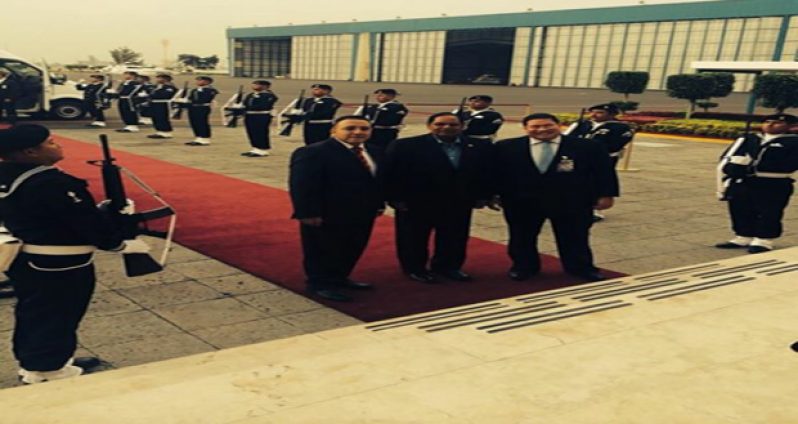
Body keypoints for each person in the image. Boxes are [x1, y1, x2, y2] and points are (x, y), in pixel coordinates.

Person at [0, 124, 149, 384]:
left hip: (28, 259)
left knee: (34, 313)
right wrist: (120, 244)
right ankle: (49, 371)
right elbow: (84, 223)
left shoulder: (10, 175)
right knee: (59, 314)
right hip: (60, 264)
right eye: (50, 142)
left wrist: (101, 209)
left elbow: (48, 215)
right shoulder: (50, 182)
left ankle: (36, 363)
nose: (58, 145)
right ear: (30, 152)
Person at [494, 113, 618, 282]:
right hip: (522, 202)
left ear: (559, 125)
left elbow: (604, 172)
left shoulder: (587, 146)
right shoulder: (506, 146)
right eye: (535, 127)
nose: (542, 130)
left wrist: (606, 195)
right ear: (525, 128)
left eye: (547, 125)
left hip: (572, 201)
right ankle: (524, 267)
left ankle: (580, 268)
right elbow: (496, 173)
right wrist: (493, 194)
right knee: (521, 237)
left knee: (575, 237)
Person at [383, 112, 495, 283]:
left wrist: (483, 196)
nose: (447, 128)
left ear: (462, 126)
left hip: (459, 201)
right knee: (413, 238)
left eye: (453, 125)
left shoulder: (478, 145)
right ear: (429, 126)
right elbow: (392, 173)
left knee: (455, 236)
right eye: (440, 124)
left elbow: (485, 173)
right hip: (416, 202)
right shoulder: (406, 145)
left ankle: (448, 267)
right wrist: (395, 198)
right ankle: (415, 268)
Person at [289, 116, 383, 302]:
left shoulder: (375, 151)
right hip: (326, 213)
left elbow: (377, 182)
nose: (357, 132)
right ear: (333, 131)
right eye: (350, 128)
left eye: (364, 129)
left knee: (353, 247)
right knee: (322, 250)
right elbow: (302, 185)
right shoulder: (313, 152)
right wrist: (307, 212)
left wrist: (378, 204)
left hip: (363, 212)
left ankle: (340, 278)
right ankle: (320, 284)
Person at [715, 113, 798, 253]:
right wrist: (733, 167)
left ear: (791, 126)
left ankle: (764, 239)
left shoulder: (793, 142)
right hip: (744, 179)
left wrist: (756, 165)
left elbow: (791, 162)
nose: (770, 124)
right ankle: (743, 235)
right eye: (767, 121)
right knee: (740, 207)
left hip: (773, 181)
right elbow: (728, 155)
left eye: (777, 123)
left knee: (768, 211)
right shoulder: (749, 138)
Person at [564, 103, 634, 221]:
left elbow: (615, 145)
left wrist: (591, 150)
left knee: (597, 183)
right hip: (577, 158)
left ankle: (596, 210)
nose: (594, 115)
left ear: (612, 114)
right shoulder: (583, 124)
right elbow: (567, 138)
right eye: (592, 112)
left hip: (602, 160)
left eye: (600, 112)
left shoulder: (621, 128)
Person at [362, 88, 408, 153]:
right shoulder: (374, 106)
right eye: (377, 95)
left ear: (391, 96)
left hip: (386, 132)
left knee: (383, 149)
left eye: (381, 95)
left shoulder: (397, 107)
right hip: (372, 131)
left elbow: (389, 120)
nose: (377, 97)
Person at [241, 80, 278, 157]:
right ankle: (255, 148)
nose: (254, 86)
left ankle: (263, 149)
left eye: (257, 84)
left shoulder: (269, 95)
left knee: (260, 132)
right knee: (251, 132)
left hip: (261, 116)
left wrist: (255, 102)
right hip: (250, 115)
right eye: (254, 84)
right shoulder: (251, 95)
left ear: (265, 86)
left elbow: (264, 105)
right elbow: (245, 104)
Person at [184, 76, 219, 146]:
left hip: (203, 107)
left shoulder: (211, 90)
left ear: (207, 82)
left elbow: (205, 99)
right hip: (193, 108)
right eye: (197, 80)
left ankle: (205, 138)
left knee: (202, 122)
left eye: (200, 80)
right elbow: (190, 98)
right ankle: (198, 137)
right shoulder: (194, 90)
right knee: (194, 122)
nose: (197, 81)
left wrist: (200, 93)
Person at [146, 74, 177, 139]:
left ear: (165, 79)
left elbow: (165, 95)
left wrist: (154, 95)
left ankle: (166, 132)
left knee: (162, 118)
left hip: (163, 104)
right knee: (156, 118)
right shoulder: (156, 86)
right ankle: (159, 131)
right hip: (154, 104)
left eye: (159, 78)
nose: (157, 80)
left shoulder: (169, 87)